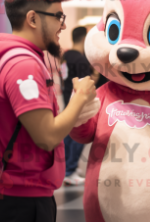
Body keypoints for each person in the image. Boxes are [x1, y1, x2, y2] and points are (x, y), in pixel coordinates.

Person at [0, 0, 97, 222]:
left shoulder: (16, 58)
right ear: (32, 18)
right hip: (23, 199)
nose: (63, 26)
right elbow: (47, 137)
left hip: (20, 193)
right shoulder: (24, 66)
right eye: (58, 17)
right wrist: (80, 98)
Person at [62, 26, 95, 185]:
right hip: (78, 101)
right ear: (84, 38)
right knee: (78, 135)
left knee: (68, 133)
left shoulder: (66, 56)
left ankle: (67, 168)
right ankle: (70, 169)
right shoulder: (81, 60)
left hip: (67, 97)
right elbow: (85, 85)